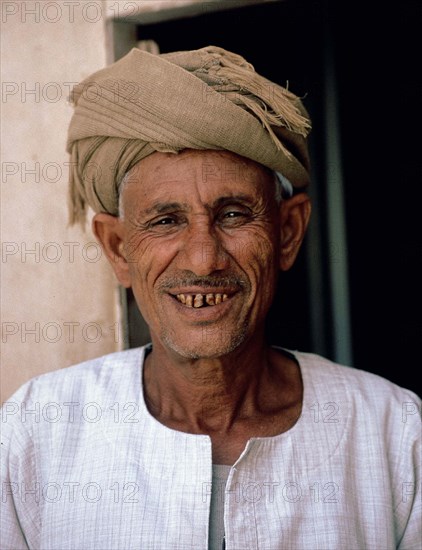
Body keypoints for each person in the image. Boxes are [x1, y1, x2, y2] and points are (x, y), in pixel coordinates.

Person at [1, 46, 420, 550]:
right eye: (165, 221)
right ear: (118, 249)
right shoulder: (35, 432)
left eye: (234, 215)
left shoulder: (393, 433)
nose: (203, 260)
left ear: (287, 232)